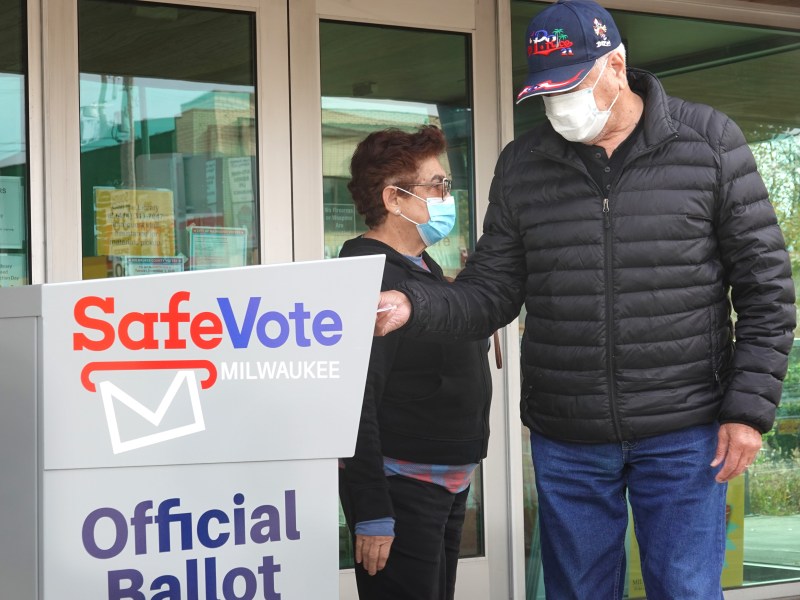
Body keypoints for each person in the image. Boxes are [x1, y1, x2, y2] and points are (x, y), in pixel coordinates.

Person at [375, 1, 796, 598]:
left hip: (684, 428)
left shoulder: (707, 142)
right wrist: (415, 305)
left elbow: (766, 291)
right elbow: (491, 290)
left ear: (617, 66)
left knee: (684, 588)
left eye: (571, 87)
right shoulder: (524, 164)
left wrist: (748, 410)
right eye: (546, 93)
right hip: (567, 434)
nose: (558, 107)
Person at [338, 125, 493, 600]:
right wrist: (371, 510)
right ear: (394, 198)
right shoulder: (367, 276)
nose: (448, 196)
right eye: (437, 185)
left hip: (446, 483)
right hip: (401, 488)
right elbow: (353, 403)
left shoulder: (425, 270)